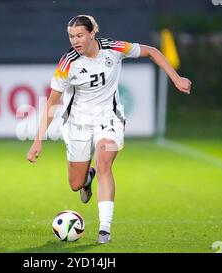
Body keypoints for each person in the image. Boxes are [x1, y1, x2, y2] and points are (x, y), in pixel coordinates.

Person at [27, 15, 191, 243]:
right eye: (71, 36)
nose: (75, 40)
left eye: (80, 35)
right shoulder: (67, 64)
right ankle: (86, 179)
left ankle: (105, 229)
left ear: (92, 32)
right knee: (75, 184)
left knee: (104, 163)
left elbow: (152, 51)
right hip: (78, 124)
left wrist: (176, 78)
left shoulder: (114, 48)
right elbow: (52, 103)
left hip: (110, 119)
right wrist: (38, 140)